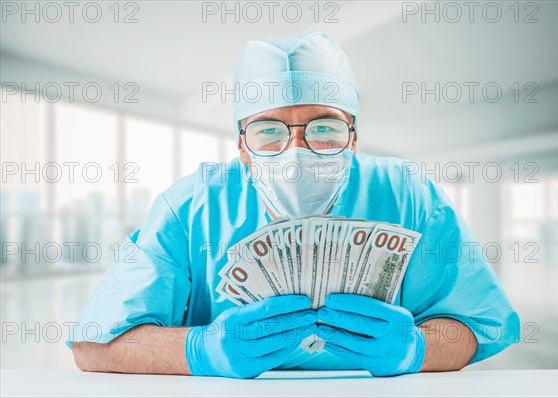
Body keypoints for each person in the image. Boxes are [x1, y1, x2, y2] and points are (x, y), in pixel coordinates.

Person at [68, 32, 520, 379]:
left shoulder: (408, 194)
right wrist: (201, 350)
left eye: (325, 127)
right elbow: (94, 345)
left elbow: (475, 325)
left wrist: (417, 348)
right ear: (242, 145)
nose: (296, 150)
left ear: (355, 137)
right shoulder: (190, 207)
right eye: (269, 131)